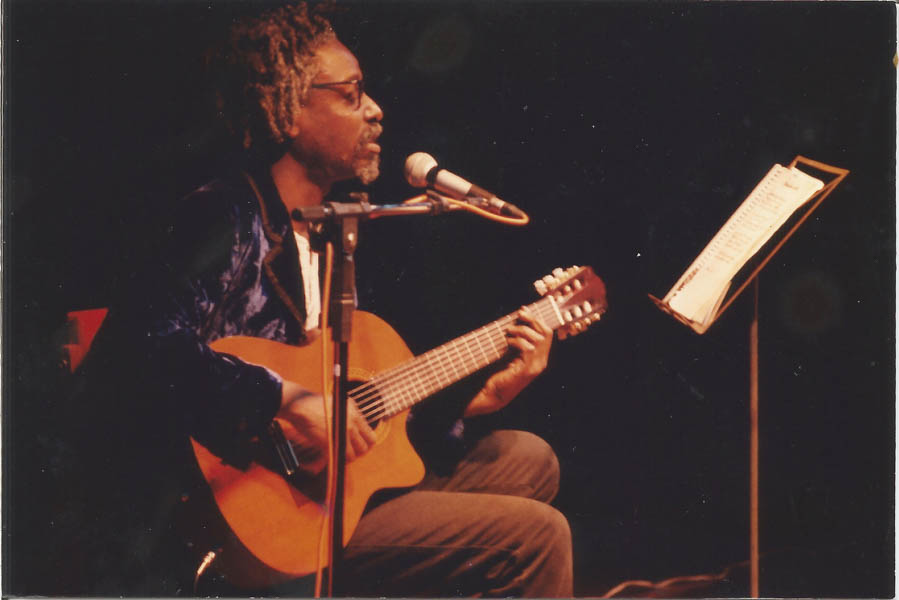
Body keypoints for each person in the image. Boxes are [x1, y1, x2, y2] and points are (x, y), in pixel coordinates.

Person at [71, 3, 573, 596]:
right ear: (287, 112)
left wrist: (481, 399)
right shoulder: (223, 217)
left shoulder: (338, 235)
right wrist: (282, 399)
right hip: (245, 513)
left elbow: (368, 418)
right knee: (537, 536)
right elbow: (139, 345)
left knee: (527, 456)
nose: (376, 110)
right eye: (351, 94)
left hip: (335, 492)